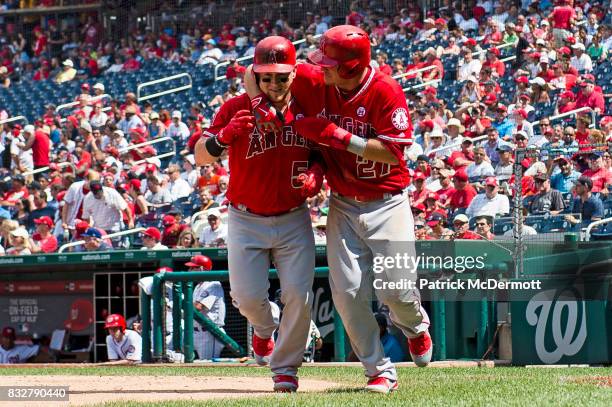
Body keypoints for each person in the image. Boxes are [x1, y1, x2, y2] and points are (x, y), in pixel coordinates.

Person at [246, 26, 432, 393]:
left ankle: (414, 326)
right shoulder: (317, 80)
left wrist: (339, 137)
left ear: (350, 67)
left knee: (396, 290)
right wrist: (261, 107)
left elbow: (393, 154)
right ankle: (379, 370)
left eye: (330, 63)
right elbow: (250, 73)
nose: (321, 68)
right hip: (344, 203)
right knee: (346, 294)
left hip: (388, 201)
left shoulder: (385, 90)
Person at [194, 36, 320, 393]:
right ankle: (264, 330)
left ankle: (285, 368)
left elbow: (322, 153)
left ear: (294, 74)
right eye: (266, 77)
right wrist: (224, 138)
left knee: (299, 294)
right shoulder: (237, 105)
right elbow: (201, 155)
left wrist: (316, 173)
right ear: (255, 76)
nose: (274, 84)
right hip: (245, 218)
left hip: (294, 217)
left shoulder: (309, 106)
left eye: (281, 76)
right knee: (247, 298)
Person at [187, 255, 226, 360]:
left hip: (209, 332)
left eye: (192, 268)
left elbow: (199, 307)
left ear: (202, 269)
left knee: (207, 363)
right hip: (196, 332)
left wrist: (181, 302)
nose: (189, 270)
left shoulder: (213, 284)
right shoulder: (197, 286)